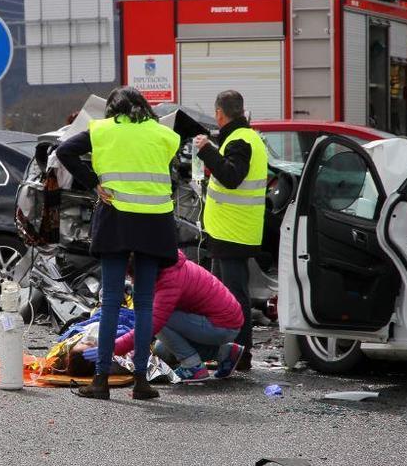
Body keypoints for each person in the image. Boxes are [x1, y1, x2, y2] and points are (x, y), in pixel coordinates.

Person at [55, 86, 180, 400]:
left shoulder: (102, 130)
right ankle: (141, 380)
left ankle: (100, 380)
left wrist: (93, 183)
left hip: (116, 219)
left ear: (113, 109)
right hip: (155, 222)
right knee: (145, 303)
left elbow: (65, 151)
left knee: (110, 300)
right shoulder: (164, 133)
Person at [193, 90, 268, 371]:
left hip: (233, 232)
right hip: (230, 230)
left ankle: (240, 354)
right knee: (222, 296)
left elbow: (231, 177)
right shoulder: (246, 138)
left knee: (234, 298)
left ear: (219, 113)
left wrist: (206, 150)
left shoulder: (239, 141)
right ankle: (225, 350)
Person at [83, 250, 244, 382]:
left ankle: (192, 366)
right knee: (162, 350)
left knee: (154, 321)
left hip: (222, 325)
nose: (131, 279)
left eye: (132, 276)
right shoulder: (166, 265)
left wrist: (111, 348)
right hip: (219, 321)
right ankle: (225, 352)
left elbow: (152, 323)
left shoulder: (169, 280)